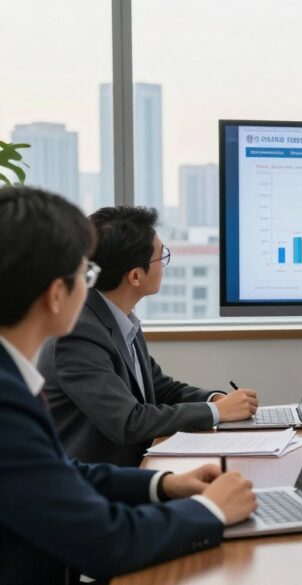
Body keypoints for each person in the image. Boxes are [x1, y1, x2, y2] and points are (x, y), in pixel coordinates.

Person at [0, 185, 257, 583]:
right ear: (55, 294)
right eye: (84, 273)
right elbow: (106, 542)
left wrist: (165, 484)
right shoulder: (8, 401)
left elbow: (62, 471)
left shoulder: (12, 378)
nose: (91, 286)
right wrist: (212, 511)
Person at [38, 206, 260, 466]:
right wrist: (216, 413)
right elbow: (128, 422)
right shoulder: (77, 333)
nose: (164, 264)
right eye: (161, 256)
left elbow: (159, 388)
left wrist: (214, 400)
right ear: (135, 276)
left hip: (134, 469)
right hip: (97, 486)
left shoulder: (117, 316)